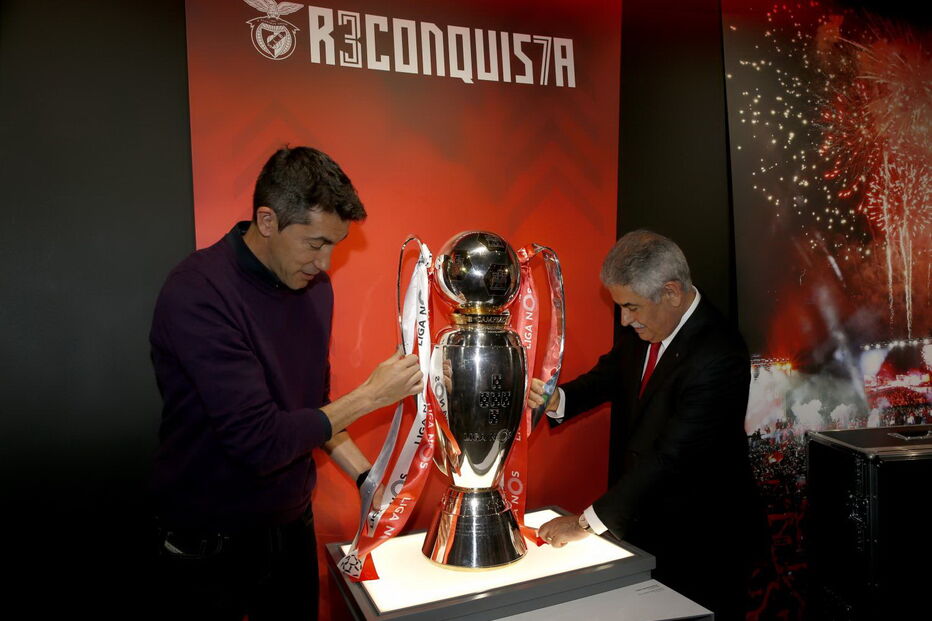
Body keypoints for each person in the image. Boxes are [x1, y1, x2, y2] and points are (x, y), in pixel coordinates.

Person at [148, 146, 422, 620]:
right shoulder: (197, 292)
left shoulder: (313, 288)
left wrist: (368, 479)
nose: (326, 262)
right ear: (268, 220)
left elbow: (312, 410)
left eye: (336, 244)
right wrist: (371, 396)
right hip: (210, 545)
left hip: (291, 529)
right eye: (315, 243)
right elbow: (260, 440)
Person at [530, 230, 766, 621]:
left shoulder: (717, 354)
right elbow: (610, 374)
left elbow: (672, 458)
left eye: (631, 307)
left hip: (703, 541)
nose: (625, 319)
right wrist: (561, 399)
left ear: (671, 292)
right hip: (647, 523)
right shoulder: (649, 323)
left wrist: (584, 523)